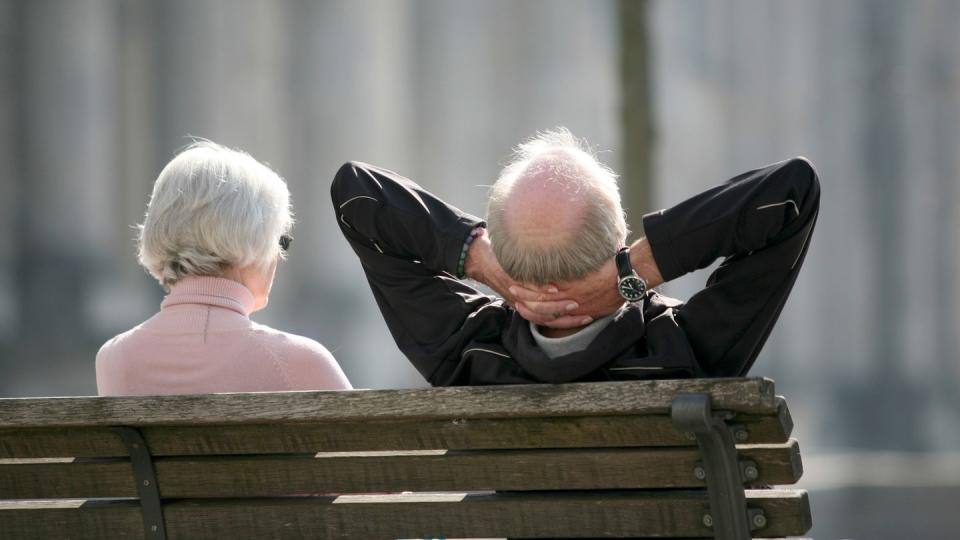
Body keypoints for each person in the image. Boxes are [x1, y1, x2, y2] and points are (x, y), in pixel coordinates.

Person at [330, 128, 819, 385]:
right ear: (620, 234)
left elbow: (359, 197)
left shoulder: (464, 354)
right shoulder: (687, 349)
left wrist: (482, 263)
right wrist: (633, 274)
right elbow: (792, 193)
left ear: (506, 252)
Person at [96, 140, 352, 396]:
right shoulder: (300, 361)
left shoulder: (114, 358)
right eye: (280, 241)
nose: (280, 257)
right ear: (254, 238)